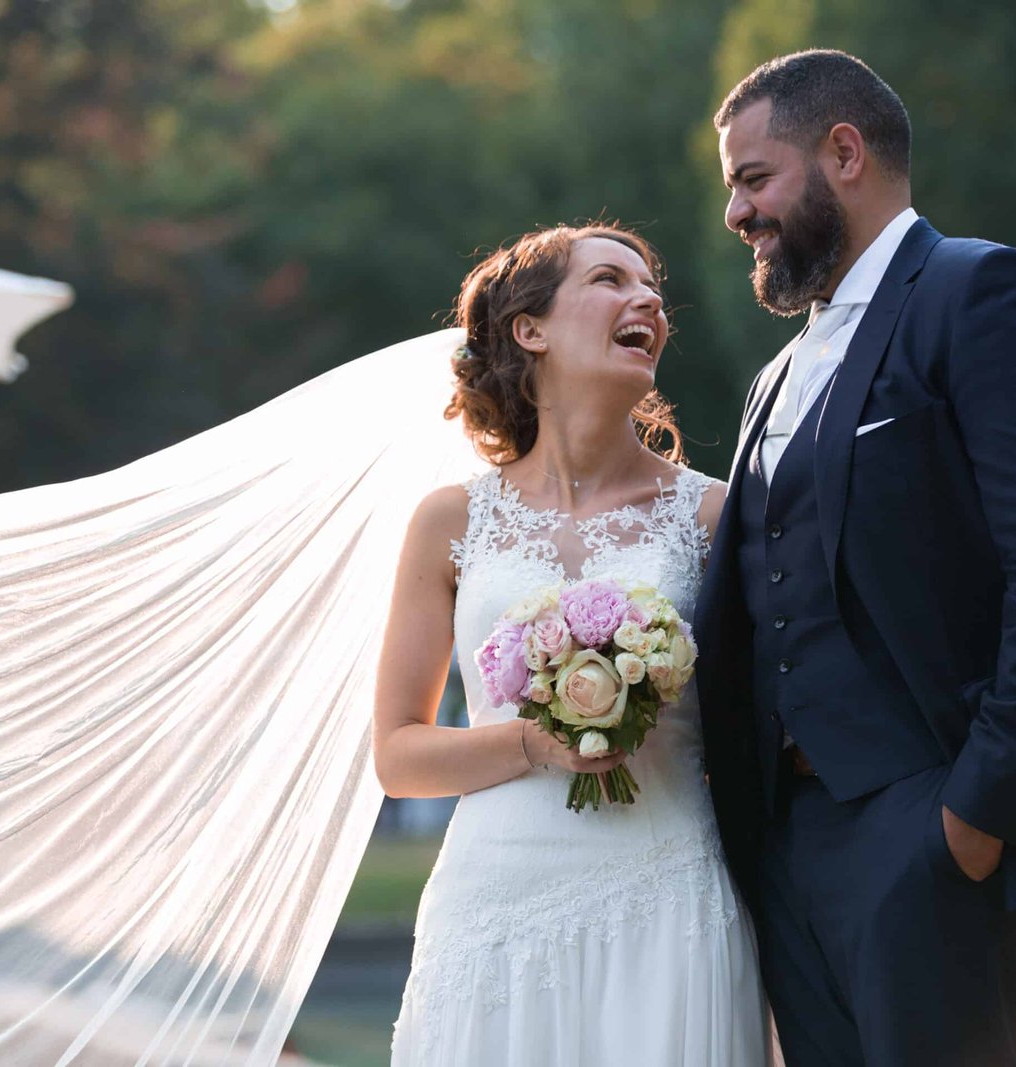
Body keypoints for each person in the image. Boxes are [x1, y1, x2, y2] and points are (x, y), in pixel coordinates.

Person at [695, 48, 1016, 1066]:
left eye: (751, 177)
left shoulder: (981, 291)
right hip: (785, 843)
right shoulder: (773, 375)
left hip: (930, 830)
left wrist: (980, 813)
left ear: (844, 152)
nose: (736, 212)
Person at [376, 223, 770, 1065]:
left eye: (653, 289)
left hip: (668, 898)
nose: (648, 300)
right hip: (495, 912)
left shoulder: (712, 515)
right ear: (531, 328)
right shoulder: (452, 521)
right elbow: (399, 754)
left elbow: (766, 727)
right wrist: (534, 741)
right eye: (609, 280)